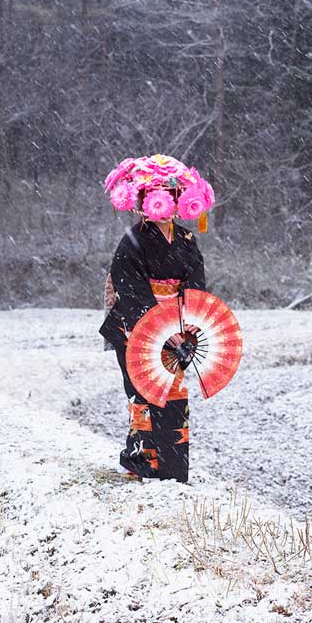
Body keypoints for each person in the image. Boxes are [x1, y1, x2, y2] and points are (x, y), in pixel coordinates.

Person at [100, 154, 214, 482]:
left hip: (176, 329)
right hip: (135, 326)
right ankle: (141, 464)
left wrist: (188, 331)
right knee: (142, 392)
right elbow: (131, 288)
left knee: (174, 394)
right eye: (158, 197)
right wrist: (161, 327)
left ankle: (173, 470)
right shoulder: (132, 241)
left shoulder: (187, 241)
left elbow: (195, 288)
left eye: (173, 197)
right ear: (146, 201)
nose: (165, 205)